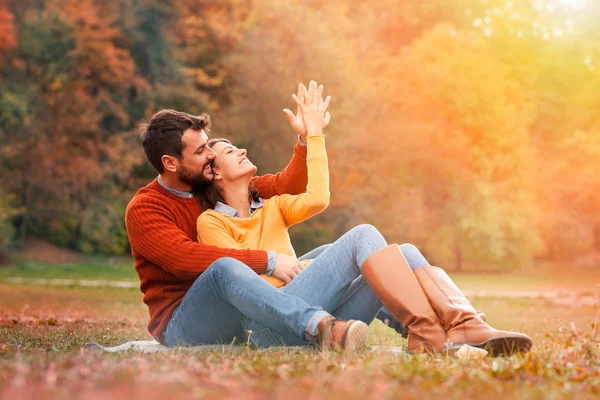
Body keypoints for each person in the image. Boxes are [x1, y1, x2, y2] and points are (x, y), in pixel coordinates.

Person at [191, 81, 532, 354]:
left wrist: (314, 134)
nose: (242, 151)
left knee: (403, 253)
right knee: (362, 235)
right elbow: (245, 285)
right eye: (229, 152)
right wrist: (288, 265)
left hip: (319, 311)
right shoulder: (212, 223)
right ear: (215, 175)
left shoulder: (273, 206)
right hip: (276, 326)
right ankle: (432, 334)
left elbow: (319, 198)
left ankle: (463, 323)